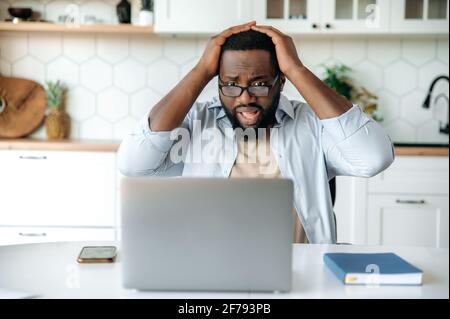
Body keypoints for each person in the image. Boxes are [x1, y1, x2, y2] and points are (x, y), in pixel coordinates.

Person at [118, 21, 395, 244]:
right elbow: (134, 164)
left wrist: (297, 69)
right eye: (230, 84)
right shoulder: (197, 123)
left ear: (281, 82)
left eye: (260, 84)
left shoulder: (312, 125)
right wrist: (201, 71)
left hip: (302, 277)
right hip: (211, 273)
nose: (244, 98)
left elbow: (373, 159)